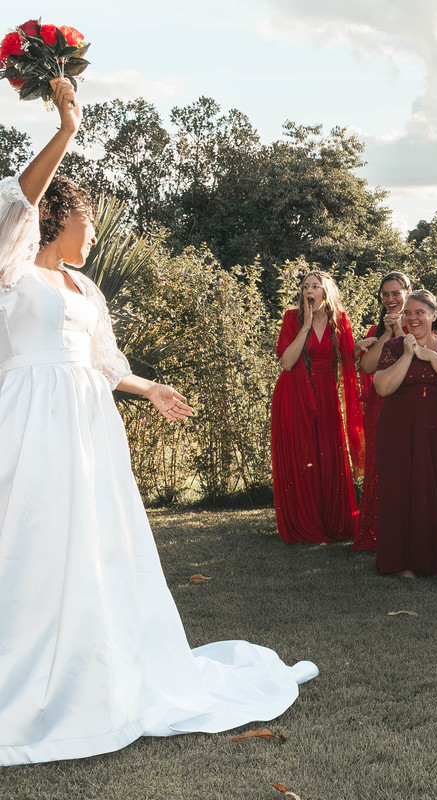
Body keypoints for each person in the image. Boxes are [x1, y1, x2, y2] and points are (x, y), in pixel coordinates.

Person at [0, 79, 315, 767]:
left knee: (94, 544)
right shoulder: (12, 272)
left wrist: (149, 388)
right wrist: (66, 129)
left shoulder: (86, 288)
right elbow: (18, 200)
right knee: (30, 537)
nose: (95, 233)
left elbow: (103, 362)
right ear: (61, 218)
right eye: (88, 220)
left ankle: (93, 665)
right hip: (27, 422)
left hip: (87, 427)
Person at [373, 289, 437, 576]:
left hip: (436, 430)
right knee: (400, 491)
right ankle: (402, 562)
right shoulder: (393, 347)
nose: (412, 318)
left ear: (434, 315)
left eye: (420, 312)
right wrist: (407, 354)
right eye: (408, 313)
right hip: (398, 430)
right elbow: (382, 388)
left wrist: (431, 357)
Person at [271, 270, 365, 543]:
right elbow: (287, 362)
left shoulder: (340, 320)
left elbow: (346, 360)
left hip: (326, 397)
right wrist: (306, 325)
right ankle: (303, 523)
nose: (309, 290)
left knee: (327, 455)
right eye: (305, 286)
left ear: (326, 291)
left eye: (315, 285)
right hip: (293, 394)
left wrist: (360, 346)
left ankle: (332, 522)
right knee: (301, 456)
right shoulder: (292, 318)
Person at [352, 271, 412, 551]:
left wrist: (399, 329)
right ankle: (377, 532)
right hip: (380, 406)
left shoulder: (419, 325)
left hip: (410, 404)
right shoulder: (375, 332)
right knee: (380, 465)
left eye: (396, 293)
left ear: (408, 292)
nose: (390, 299)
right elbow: (367, 366)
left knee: (408, 464)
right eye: (385, 295)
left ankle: (408, 530)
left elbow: (411, 359)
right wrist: (387, 333)